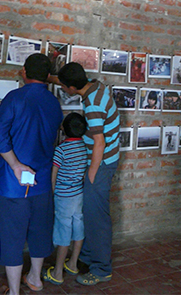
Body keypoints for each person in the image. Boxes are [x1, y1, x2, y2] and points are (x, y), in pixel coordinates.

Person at [0, 54, 63, 295]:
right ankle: (35, 278)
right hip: (41, 181)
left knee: (12, 236)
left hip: (13, 182)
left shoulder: (15, 98)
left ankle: (13, 291)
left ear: (23, 72)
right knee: (40, 230)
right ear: (48, 77)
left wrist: (15, 164)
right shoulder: (54, 102)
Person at [55, 62, 120, 286]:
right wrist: (49, 77)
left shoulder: (92, 104)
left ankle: (102, 269)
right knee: (90, 213)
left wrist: (91, 174)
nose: (63, 89)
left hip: (100, 164)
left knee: (96, 217)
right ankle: (88, 257)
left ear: (72, 88)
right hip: (104, 160)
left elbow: (99, 143)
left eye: (64, 87)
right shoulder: (95, 86)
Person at [43, 112, 88, 286]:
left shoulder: (60, 150)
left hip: (63, 197)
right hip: (79, 195)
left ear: (63, 128)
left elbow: (53, 177)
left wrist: (51, 197)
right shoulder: (83, 146)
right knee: (78, 226)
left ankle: (58, 272)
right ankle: (73, 264)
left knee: (63, 232)